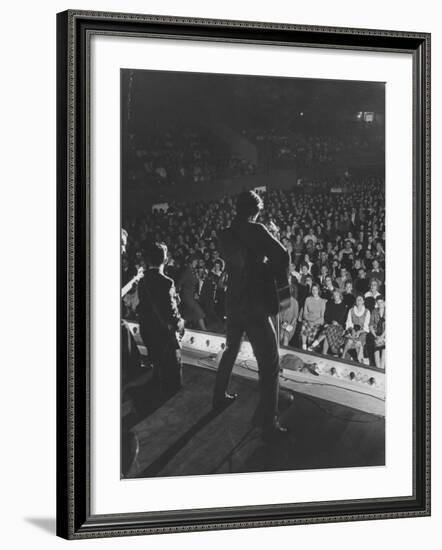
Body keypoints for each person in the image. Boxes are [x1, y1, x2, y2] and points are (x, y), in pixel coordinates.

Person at [212, 190, 290, 439]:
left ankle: (219, 397)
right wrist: (278, 285)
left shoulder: (223, 234)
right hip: (255, 303)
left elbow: (238, 262)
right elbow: (282, 255)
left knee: (231, 349)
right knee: (269, 362)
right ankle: (267, 421)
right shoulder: (257, 230)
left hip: (233, 300)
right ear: (256, 210)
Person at [137, 242, 184, 398]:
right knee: (169, 363)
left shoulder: (142, 281)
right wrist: (180, 322)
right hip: (163, 331)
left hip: (147, 328)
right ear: (164, 260)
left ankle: (156, 383)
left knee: (156, 358)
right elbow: (171, 311)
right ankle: (165, 389)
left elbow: (143, 307)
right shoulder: (167, 282)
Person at [342, 295, 370, 363]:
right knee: (349, 341)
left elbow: (366, 327)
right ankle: (342, 357)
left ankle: (359, 360)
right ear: (356, 302)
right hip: (352, 330)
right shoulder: (351, 310)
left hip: (362, 331)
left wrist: (359, 332)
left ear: (363, 301)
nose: (359, 301)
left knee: (358, 343)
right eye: (357, 300)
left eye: (360, 299)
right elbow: (349, 323)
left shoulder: (367, 311)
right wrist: (353, 331)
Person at [300, 283, 326, 350]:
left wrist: (314, 322)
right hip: (308, 321)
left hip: (317, 322)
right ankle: (304, 346)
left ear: (319, 290)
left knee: (313, 334)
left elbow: (322, 317)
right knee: (304, 325)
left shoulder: (322, 301)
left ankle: (312, 346)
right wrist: (309, 321)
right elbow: (304, 314)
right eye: (313, 289)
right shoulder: (307, 299)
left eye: (316, 290)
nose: (314, 291)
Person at [368, 296, 386, 369]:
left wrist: (382, 336)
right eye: (378, 303)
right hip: (375, 334)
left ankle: (382, 367)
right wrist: (375, 336)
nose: (380, 304)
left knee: (384, 347)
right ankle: (378, 368)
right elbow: (370, 325)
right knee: (376, 344)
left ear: (384, 302)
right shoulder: (374, 311)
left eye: (381, 302)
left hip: (385, 334)